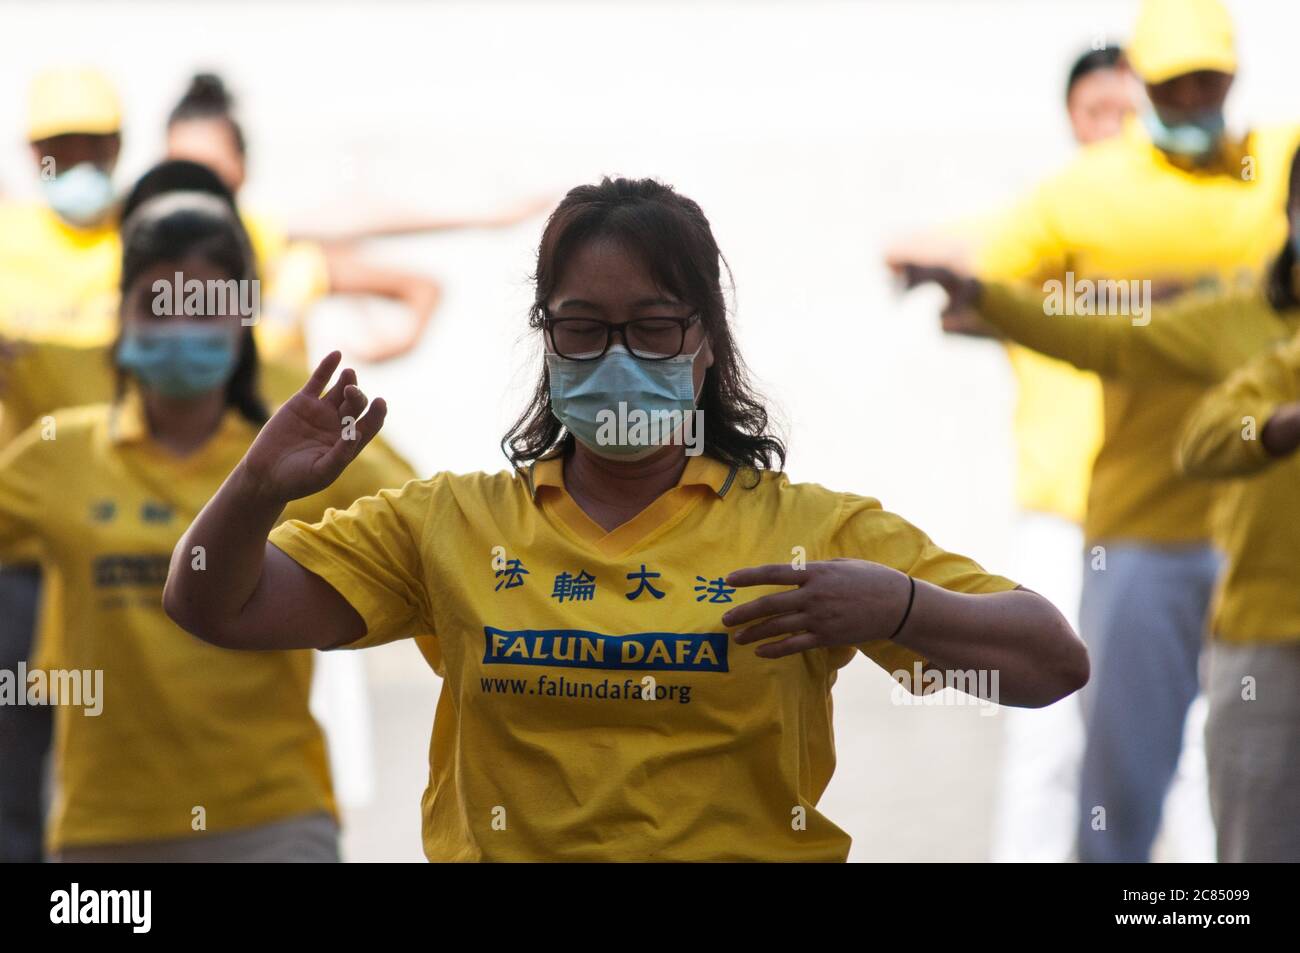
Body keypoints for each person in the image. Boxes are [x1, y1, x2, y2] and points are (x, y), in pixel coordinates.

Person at [163, 176, 1088, 861]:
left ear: (707, 343)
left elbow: (1053, 661)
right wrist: (256, 487)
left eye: (652, 326)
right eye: (582, 327)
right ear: (546, 338)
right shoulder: (447, 523)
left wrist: (898, 609)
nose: (616, 356)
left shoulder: (814, 532)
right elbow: (213, 606)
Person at [891, 0, 1299, 862]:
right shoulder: (1085, 194)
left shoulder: (1279, 161)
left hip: (1261, 559)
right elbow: (1059, 320)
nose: (1194, 95)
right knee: (1113, 774)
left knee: (1216, 795)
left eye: (1210, 78)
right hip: (1133, 528)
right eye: (1174, 81)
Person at [0, 188, 412, 861]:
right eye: (160, 306)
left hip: (275, 823)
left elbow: (442, 543)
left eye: (205, 308)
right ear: (122, 314)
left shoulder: (301, 454)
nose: (181, 326)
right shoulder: (60, 453)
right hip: (104, 833)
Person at [888, 42, 1138, 863]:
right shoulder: (1040, 232)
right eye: (1097, 111)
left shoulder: (1188, 232)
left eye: (1128, 110)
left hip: (1176, 521)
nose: (1114, 127)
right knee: (1050, 737)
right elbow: (909, 247)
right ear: (1073, 120)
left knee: (1189, 727)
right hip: (1061, 516)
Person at [165, 72, 544, 365]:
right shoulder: (125, 247)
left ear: (241, 167)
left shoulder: (277, 253)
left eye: (208, 169)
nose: (193, 184)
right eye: (177, 168)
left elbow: (359, 225)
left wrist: (483, 218)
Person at [0, 66, 126, 862]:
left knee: (117, 766)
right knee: (14, 761)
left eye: (89, 143)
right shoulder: (7, 242)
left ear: (117, 146)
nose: (74, 160)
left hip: (120, 543)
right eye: (57, 147)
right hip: (19, 552)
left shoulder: (150, 243)